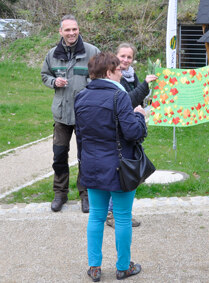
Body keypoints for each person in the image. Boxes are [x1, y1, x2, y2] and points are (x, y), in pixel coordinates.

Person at [74, 52, 146, 281]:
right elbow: (133, 133)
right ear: (108, 72)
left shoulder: (81, 96)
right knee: (123, 217)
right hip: (119, 166)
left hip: (92, 164)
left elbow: (80, 135)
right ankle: (123, 267)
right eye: (118, 70)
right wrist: (140, 116)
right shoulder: (119, 96)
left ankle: (94, 267)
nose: (122, 73)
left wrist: (82, 162)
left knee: (96, 216)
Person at [41, 14, 100, 213]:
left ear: (78, 29)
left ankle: (86, 195)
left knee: (86, 156)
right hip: (61, 115)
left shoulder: (92, 52)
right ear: (61, 32)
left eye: (74, 29)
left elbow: (100, 77)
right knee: (59, 155)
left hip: (85, 116)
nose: (71, 33)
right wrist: (53, 82)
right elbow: (44, 75)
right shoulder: (52, 54)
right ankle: (60, 193)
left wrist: (89, 88)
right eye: (67, 30)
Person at [105, 42, 158, 228]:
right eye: (122, 56)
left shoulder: (131, 74)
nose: (125, 60)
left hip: (130, 129)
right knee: (124, 174)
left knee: (128, 173)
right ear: (115, 56)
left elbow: (137, 100)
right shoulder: (114, 76)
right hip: (120, 134)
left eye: (129, 57)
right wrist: (145, 86)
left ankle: (119, 212)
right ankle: (113, 214)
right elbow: (127, 100)